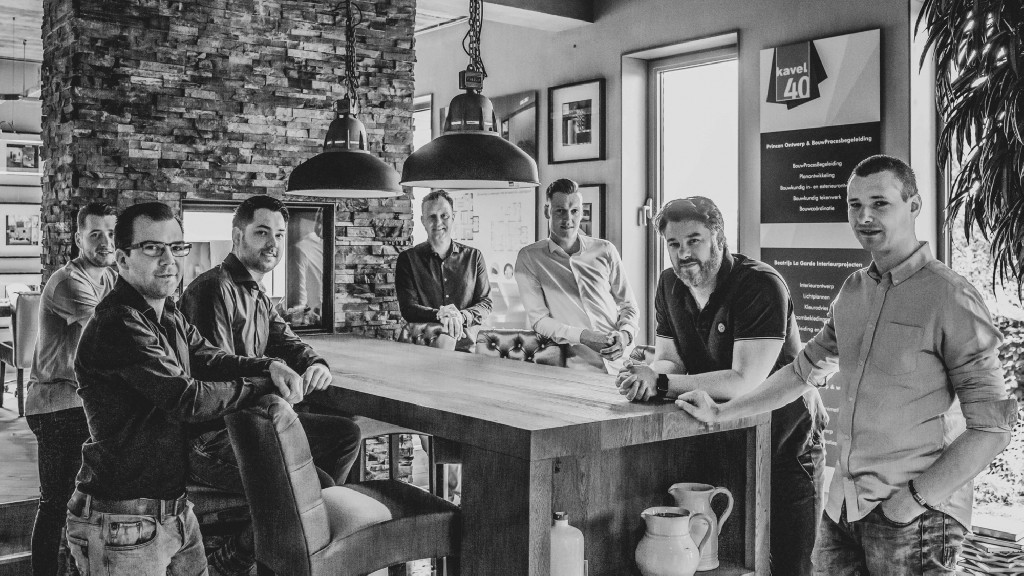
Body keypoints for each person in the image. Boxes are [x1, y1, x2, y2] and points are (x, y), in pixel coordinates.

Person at [679, 155, 1018, 575]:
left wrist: (911, 501)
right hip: (843, 509)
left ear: (914, 206)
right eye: (855, 205)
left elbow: (992, 429)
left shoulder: (951, 297)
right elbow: (801, 373)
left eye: (880, 203)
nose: (864, 216)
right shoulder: (854, 291)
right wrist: (721, 413)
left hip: (915, 520)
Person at [68, 202, 305, 576]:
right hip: (121, 519)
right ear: (122, 258)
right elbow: (188, 399)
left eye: (176, 247)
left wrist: (269, 365)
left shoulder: (168, 314)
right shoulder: (118, 323)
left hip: (174, 510)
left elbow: (211, 358)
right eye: (153, 248)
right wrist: (262, 383)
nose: (169, 260)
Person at [616, 196, 826, 576]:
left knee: (793, 563)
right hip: (723, 436)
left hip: (787, 441)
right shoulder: (669, 284)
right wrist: (645, 375)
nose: (683, 253)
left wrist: (661, 383)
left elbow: (743, 381)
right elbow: (670, 360)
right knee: (728, 558)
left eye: (694, 241)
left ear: (719, 237)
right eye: (673, 244)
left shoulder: (760, 284)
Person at [180, 195, 361, 576]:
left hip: (254, 424)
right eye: (262, 233)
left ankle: (283, 547)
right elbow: (213, 373)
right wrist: (272, 374)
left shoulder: (257, 291)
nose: (273, 243)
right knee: (315, 487)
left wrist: (315, 363)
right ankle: (249, 555)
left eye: (279, 234)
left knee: (345, 435)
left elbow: (287, 341)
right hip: (212, 437)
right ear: (237, 236)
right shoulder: (213, 289)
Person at [24, 203, 117, 576]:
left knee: (87, 502)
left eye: (111, 233)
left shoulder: (111, 279)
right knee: (56, 503)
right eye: (95, 234)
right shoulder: (68, 281)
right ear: (79, 239)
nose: (105, 242)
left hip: (85, 403)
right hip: (56, 406)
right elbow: (112, 335)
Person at [515, 178, 639, 373]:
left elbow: (628, 305)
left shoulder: (605, 250)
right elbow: (539, 321)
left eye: (574, 211)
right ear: (547, 211)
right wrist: (585, 336)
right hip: (576, 367)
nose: (568, 219)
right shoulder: (529, 258)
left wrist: (625, 335)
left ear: (582, 212)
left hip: (624, 362)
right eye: (560, 211)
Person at [396, 189, 492, 351]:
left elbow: (485, 303)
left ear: (453, 217)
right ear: (423, 221)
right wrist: (439, 314)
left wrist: (461, 316)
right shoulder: (408, 259)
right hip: (422, 349)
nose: (438, 222)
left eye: (444, 216)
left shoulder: (474, 257)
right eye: (432, 217)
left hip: (469, 349)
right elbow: (408, 308)